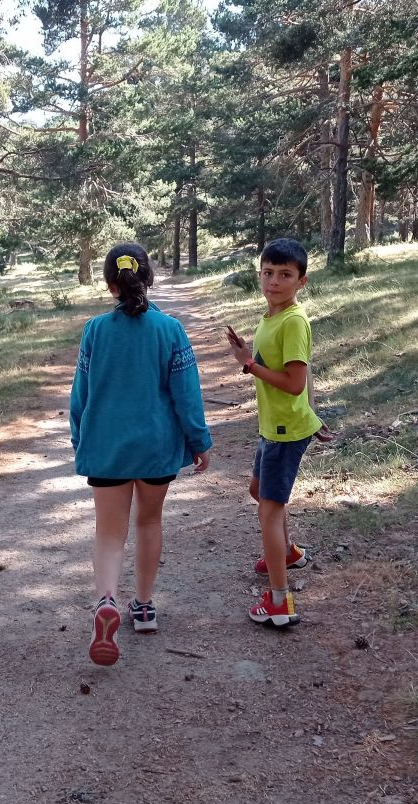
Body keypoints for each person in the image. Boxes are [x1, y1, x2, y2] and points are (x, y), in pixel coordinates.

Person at [70, 242, 212, 666]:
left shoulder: (95, 330)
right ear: (148, 278)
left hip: (108, 448)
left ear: (109, 285)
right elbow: (187, 394)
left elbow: (81, 393)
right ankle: (144, 606)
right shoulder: (170, 329)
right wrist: (199, 440)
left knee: (108, 533)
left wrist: (81, 438)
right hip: (155, 448)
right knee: (149, 522)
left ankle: (106, 600)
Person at [225, 238, 335, 628]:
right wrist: (251, 357)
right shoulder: (272, 316)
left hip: (285, 431)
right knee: (260, 492)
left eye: (285, 275)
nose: (274, 281)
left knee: (268, 511)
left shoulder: (293, 321)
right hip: (275, 426)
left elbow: (294, 382)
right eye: (268, 273)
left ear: (301, 281)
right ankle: (287, 552)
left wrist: (249, 365)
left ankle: (279, 601)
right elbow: (299, 378)